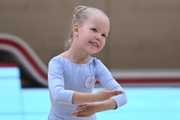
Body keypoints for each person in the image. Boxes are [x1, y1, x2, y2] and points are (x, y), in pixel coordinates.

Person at [47, 5, 127, 120]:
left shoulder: (96, 66)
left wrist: (97, 107)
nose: (99, 37)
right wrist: (94, 97)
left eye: (104, 35)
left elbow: (122, 95)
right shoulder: (58, 63)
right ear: (76, 29)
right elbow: (58, 94)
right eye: (94, 30)